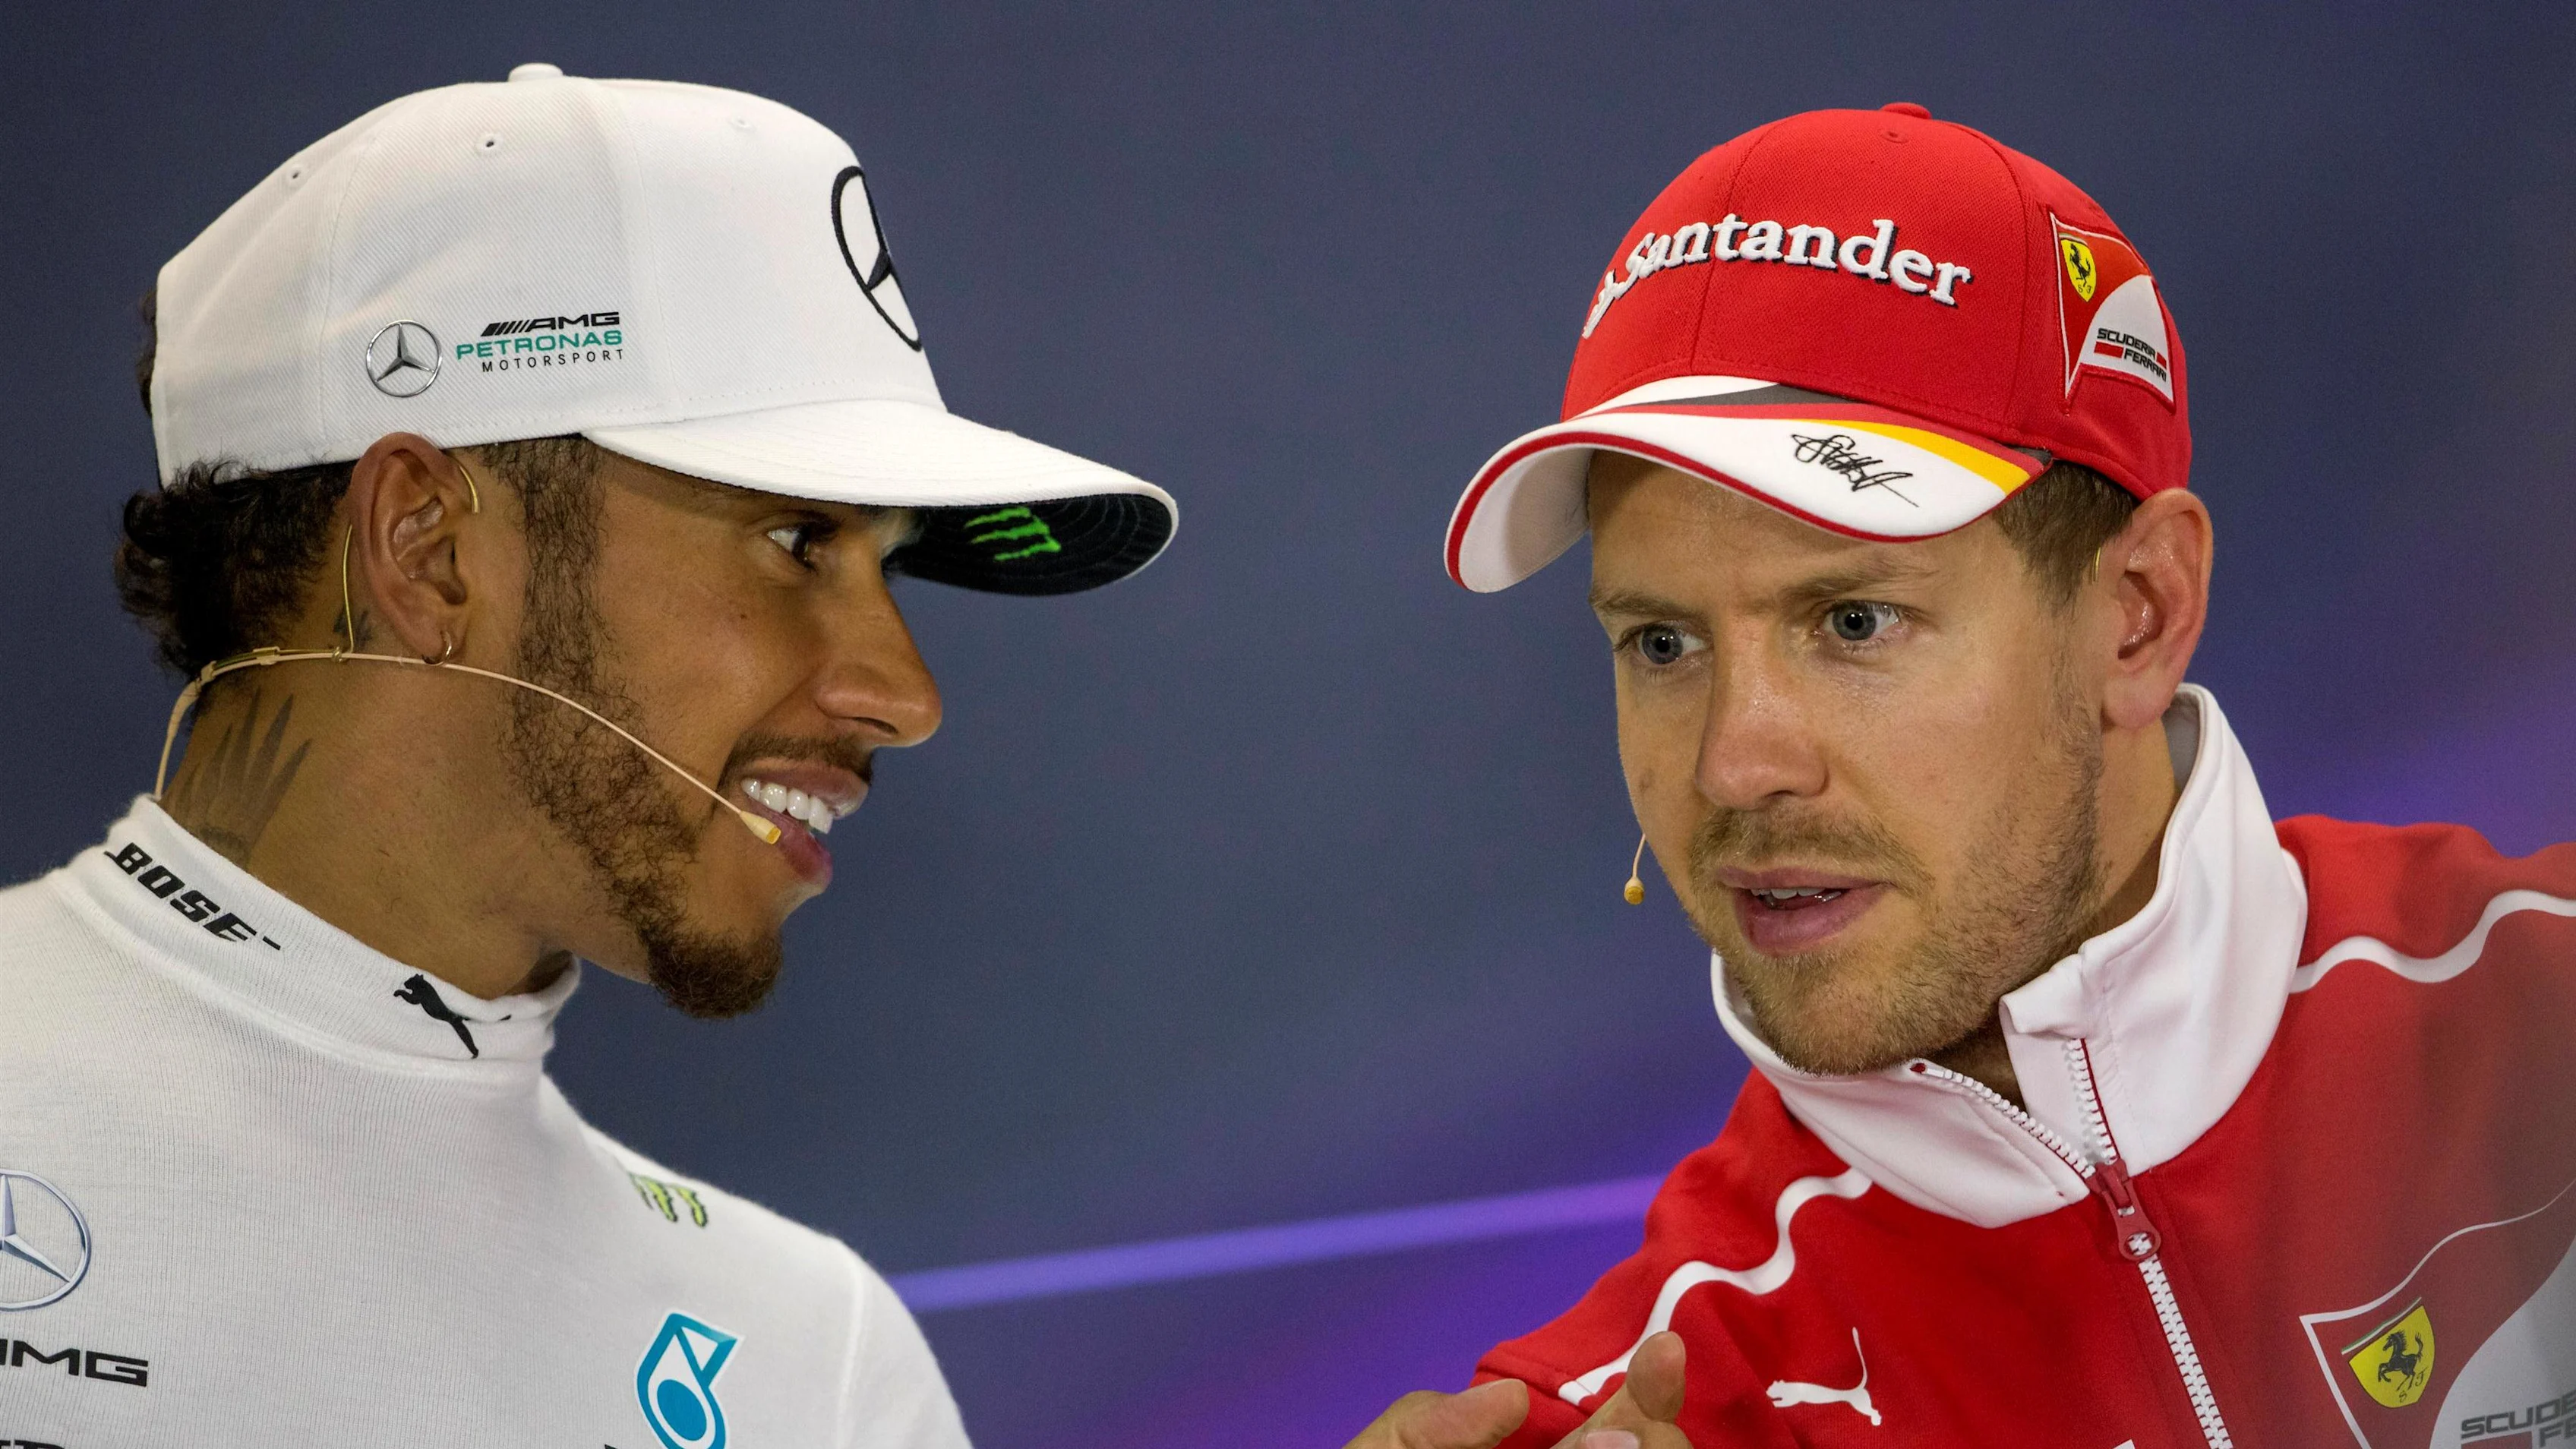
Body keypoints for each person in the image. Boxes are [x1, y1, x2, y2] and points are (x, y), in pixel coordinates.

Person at [1357, 104, 2576, 1448]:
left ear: (2140, 616)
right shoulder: (1660, 1406)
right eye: (1662, 642)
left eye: (1855, 622)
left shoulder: (2539, 1012)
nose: (1736, 762)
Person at [0, 65, 1174, 1446]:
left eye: (892, 569)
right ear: (427, 549)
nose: (905, 695)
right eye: (800, 542)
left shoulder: (810, 1357)